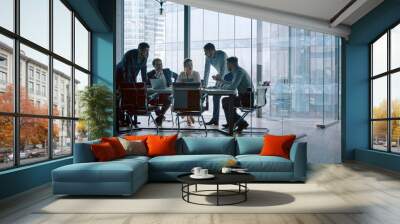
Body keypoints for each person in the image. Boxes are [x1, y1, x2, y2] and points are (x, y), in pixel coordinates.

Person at [116, 42, 150, 127]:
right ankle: (120, 119)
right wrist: (129, 85)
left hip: (131, 77)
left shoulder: (144, 58)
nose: (145, 53)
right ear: (139, 49)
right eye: (143, 51)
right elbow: (125, 70)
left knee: (133, 96)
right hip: (119, 75)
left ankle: (129, 119)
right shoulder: (130, 54)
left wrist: (145, 84)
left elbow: (143, 72)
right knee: (121, 97)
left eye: (147, 51)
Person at [220, 57, 254, 133]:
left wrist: (223, 87)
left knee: (227, 102)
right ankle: (233, 123)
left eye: (227, 64)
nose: (227, 66)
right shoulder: (238, 71)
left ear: (231, 64)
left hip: (247, 99)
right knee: (226, 101)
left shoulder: (239, 72)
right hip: (245, 97)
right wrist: (221, 82)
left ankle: (240, 123)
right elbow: (232, 84)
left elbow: (232, 86)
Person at [146, 58, 178, 126]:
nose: (160, 66)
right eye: (157, 65)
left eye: (161, 64)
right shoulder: (150, 74)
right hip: (155, 94)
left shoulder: (167, 71)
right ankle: (160, 117)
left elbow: (176, 76)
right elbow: (147, 84)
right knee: (152, 99)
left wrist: (173, 84)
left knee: (169, 99)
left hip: (166, 94)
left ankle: (159, 117)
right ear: (154, 66)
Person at [203, 43, 228, 126]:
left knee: (217, 96)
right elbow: (206, 71)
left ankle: (216, 119)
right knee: (215, 97)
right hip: (220, 77)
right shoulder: (208, 57)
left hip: (228, 77)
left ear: (211, 50)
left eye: (206, 52)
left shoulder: (222, 55)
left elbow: (223, 71)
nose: (205, 54)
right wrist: (204, 85)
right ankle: (215, 119)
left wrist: (219, 83)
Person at [177, 58, 201, 126]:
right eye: (188, 65)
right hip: (183, 97)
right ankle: (189, 115)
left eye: (191, 64)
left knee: (185, 99)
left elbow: (198, 86)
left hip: (193, 97)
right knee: (180, 97)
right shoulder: (181, 74)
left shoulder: (196, 74)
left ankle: (186, 113)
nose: (190, 66)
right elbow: (177, 85)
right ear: (184, 67)